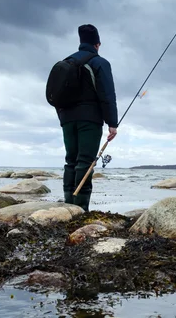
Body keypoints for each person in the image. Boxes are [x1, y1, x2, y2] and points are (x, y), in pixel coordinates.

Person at [55, 24, 118, 212]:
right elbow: (107, 95)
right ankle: (81, 208)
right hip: (89, 120)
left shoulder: (67, 62)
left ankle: (68, 205)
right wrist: (112, 124)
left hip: (66, 119)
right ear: (97, 44)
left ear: (81, 42)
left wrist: (64, 117)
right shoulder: (100, 63)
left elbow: (56, 94)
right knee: (85, 161)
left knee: (71, 161)